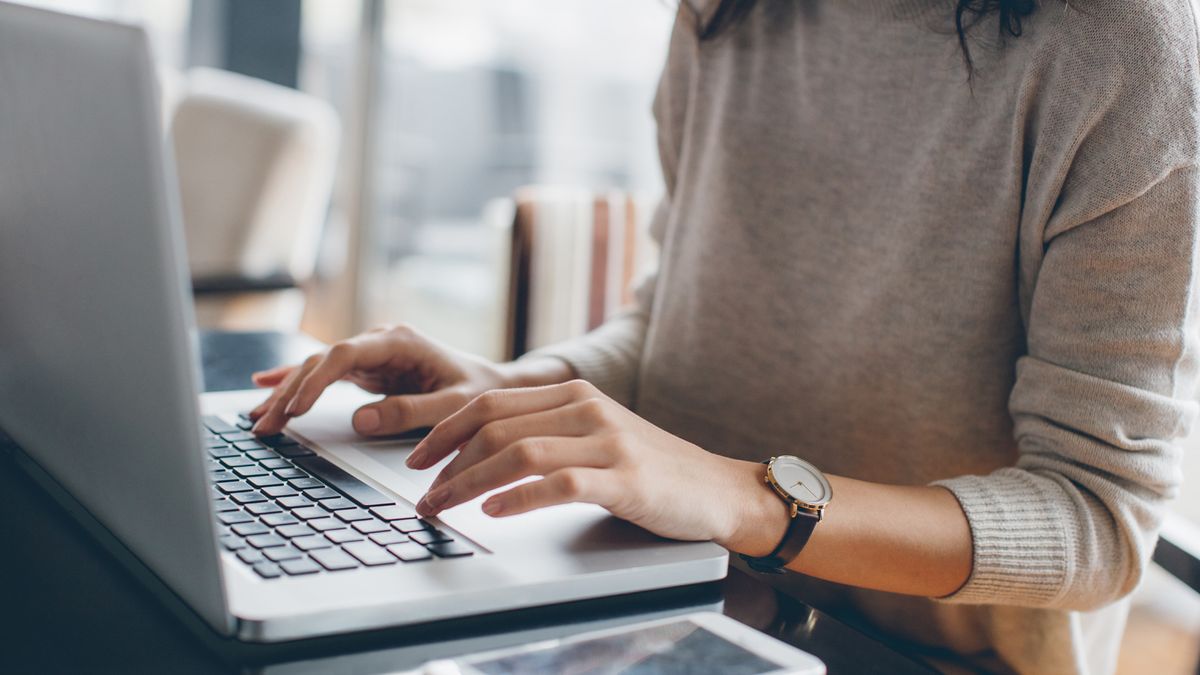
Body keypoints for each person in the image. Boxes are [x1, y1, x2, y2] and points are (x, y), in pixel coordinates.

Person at [250, 1, 1200, 672]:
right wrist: (516, 388)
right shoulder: (726, 9)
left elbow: (1099, 520)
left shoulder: (1123, 44)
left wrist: (748, 496)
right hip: (657, 591)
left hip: (909, 653)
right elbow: (676, 321)